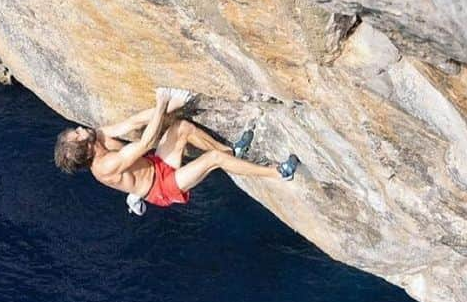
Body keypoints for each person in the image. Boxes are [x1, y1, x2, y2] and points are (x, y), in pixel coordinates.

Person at [53, 88, 299, 215]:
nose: (79, 128)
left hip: (157, 167)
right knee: (213, 160)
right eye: (77, 134)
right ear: (85, 149)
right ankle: (279, 174)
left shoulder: (99, 136)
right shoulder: (103, 167)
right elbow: (146, 142)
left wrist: (173, 104)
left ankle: (232, 152)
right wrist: (161, 102)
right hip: (162, 188)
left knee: (182, 127)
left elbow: (134, 122)